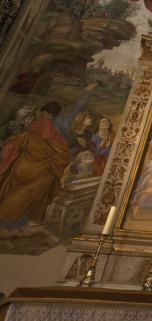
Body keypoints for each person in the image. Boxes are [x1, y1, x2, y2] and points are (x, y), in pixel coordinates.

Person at [0, 82, 97, 237]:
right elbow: (76, 109)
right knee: (29, 195)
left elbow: (16, 142)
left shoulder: (37, 125)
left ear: (46, 113)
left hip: (24, 165)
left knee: (15, 190)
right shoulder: (63, 121)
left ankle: (10, 222)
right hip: (45, 168)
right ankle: (11, 223)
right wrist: (86, 92)